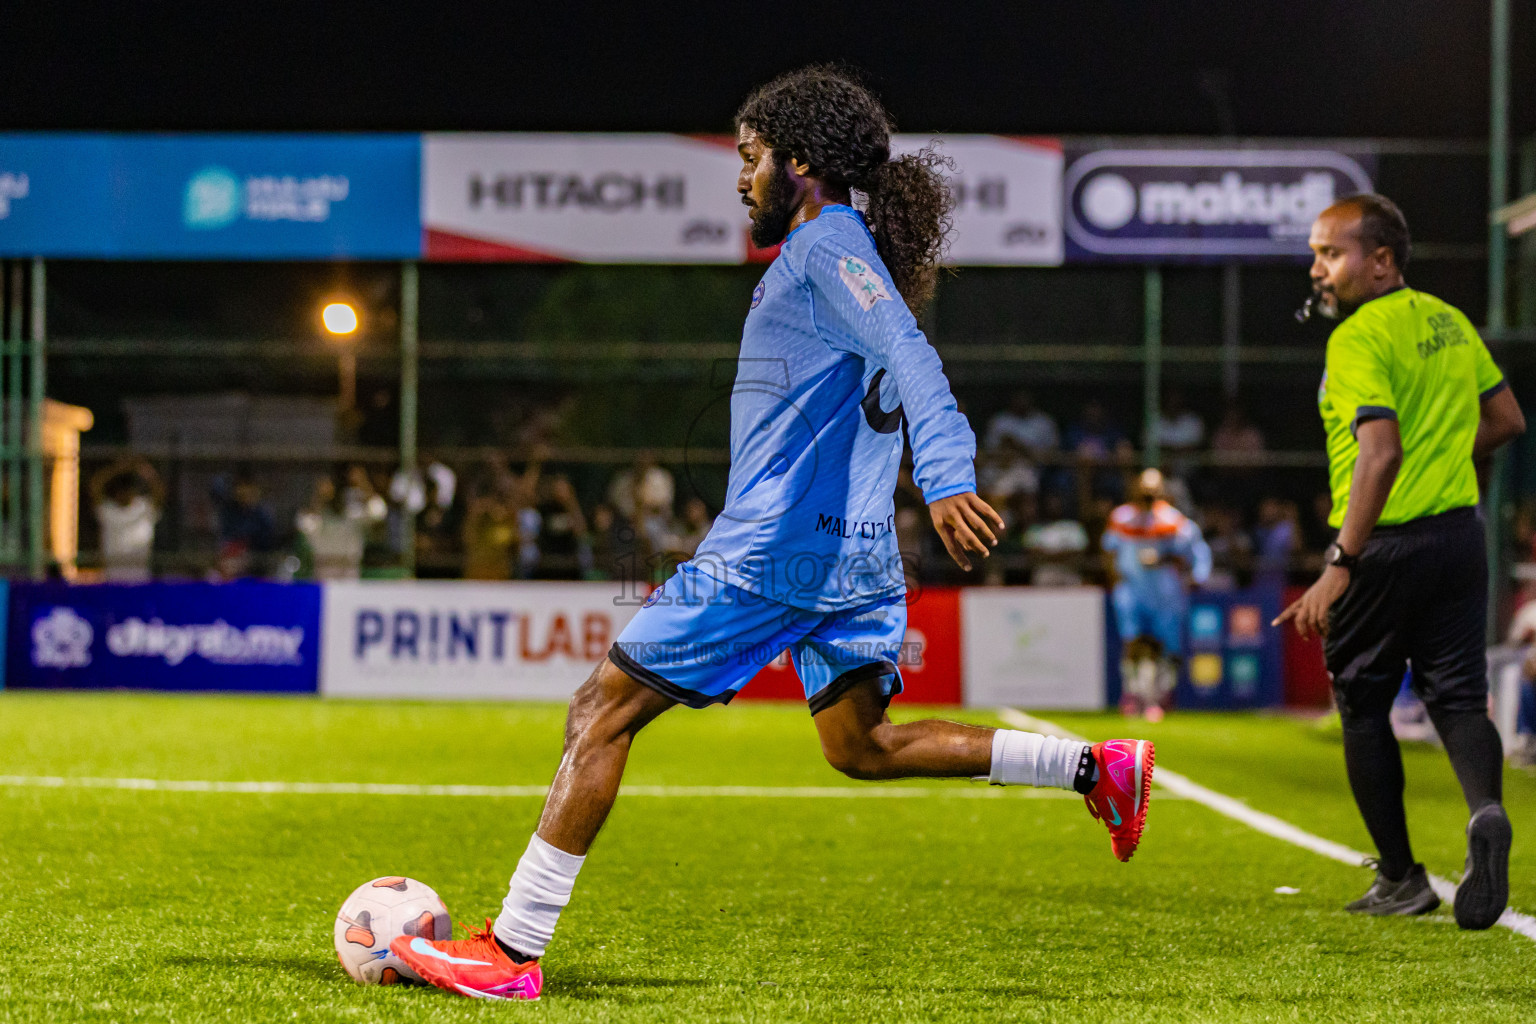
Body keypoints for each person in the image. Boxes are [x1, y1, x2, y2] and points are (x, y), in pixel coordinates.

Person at [392, 67, 1156, 1001]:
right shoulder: (847, 252)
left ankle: (511, 954)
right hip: (855, 553)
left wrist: (950, 475)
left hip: (777, 553)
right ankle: (1093, 767)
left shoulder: (827, 251)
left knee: (600, 711)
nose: (740, 178)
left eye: (750, 159)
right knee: (860, 747)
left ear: (800, 165)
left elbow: (914, 357)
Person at [1274, 193, 1525, 929]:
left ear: (1382, 261)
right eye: (1316, 252)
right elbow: (1506, 419)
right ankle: (1485, 810)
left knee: (1361, 704)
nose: (1317, 268)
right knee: (1456, 695)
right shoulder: (1450, 320)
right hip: (1457, 538)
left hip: (1381, 547)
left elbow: (1379, 453)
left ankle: (1401, 876)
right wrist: (1443, 456)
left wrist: (1341, 560)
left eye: (1332, 252)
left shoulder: (1356, 339)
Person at [1102, 468, 1212, 721]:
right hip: (1131, 589)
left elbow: (1195, 552)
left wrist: (1195, 575)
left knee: (1164, 646)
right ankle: (1132, 694)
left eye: (1152, 493)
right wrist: (1115, 576)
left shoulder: (1174, 521)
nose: (1147, 498)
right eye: (1143, 492)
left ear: (1161, 493)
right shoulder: (1121, 517)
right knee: (1132, 642)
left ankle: (1159, 696)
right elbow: (1109, 550)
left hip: (1164, 592)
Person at [90, 457, 163, 582]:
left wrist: (143, 470)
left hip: (140, 578)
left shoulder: (143, 508)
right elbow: (94, 488)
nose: (123, 494)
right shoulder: (109, 510)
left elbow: (159, 492)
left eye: (127, 490)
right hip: (112, 578)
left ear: (133, 491)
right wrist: (115, 470)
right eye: (120, 491)